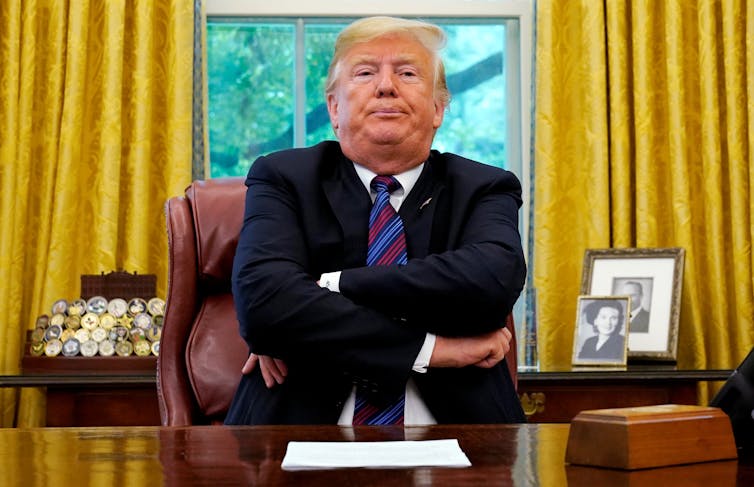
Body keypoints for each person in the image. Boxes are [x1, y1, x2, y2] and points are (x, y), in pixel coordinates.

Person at [224, 16, 527, 426]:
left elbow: (491, 285)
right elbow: (264, 305)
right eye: (366, 72)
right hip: (293, 437)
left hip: (465, 438)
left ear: (438, 108)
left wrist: (330, 287)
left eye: (407, 72)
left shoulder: (484, 187)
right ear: (334, 107)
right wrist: (433, 349)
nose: (386, 86)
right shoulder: (284, 177)